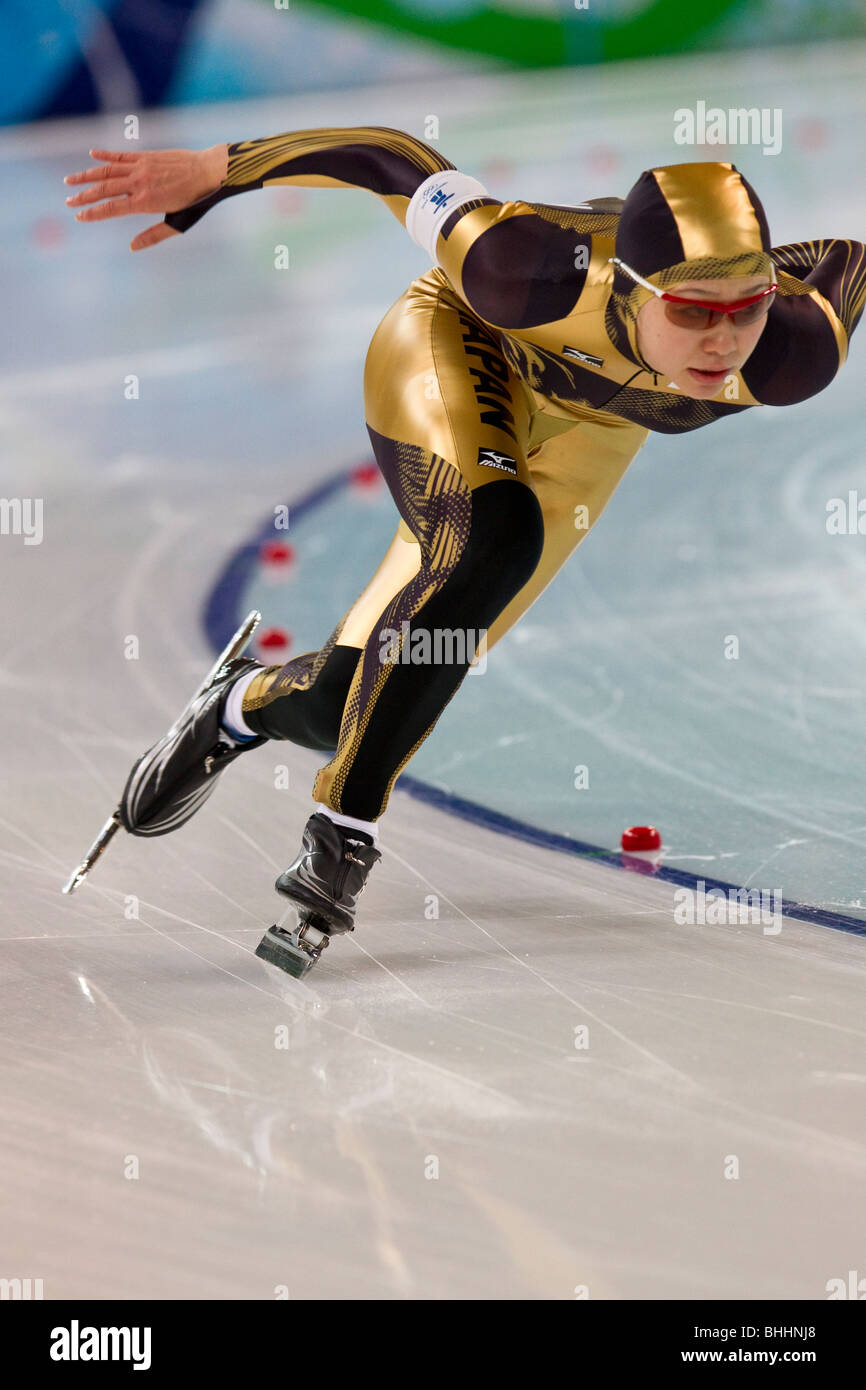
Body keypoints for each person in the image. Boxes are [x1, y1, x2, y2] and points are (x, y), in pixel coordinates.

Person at [64, 128, 865, 972]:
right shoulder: (523, 266)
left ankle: (238, 706)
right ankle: (343, 834)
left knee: (351, 700)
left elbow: (847, 254)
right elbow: (388, 158)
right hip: (460, 351)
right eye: (693, 312)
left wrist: (755, 277)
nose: (725, 340)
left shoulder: (792, 351)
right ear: (630, 291)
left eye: (747, 307)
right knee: (495, 537)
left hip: (591, 441)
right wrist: (217, 174)